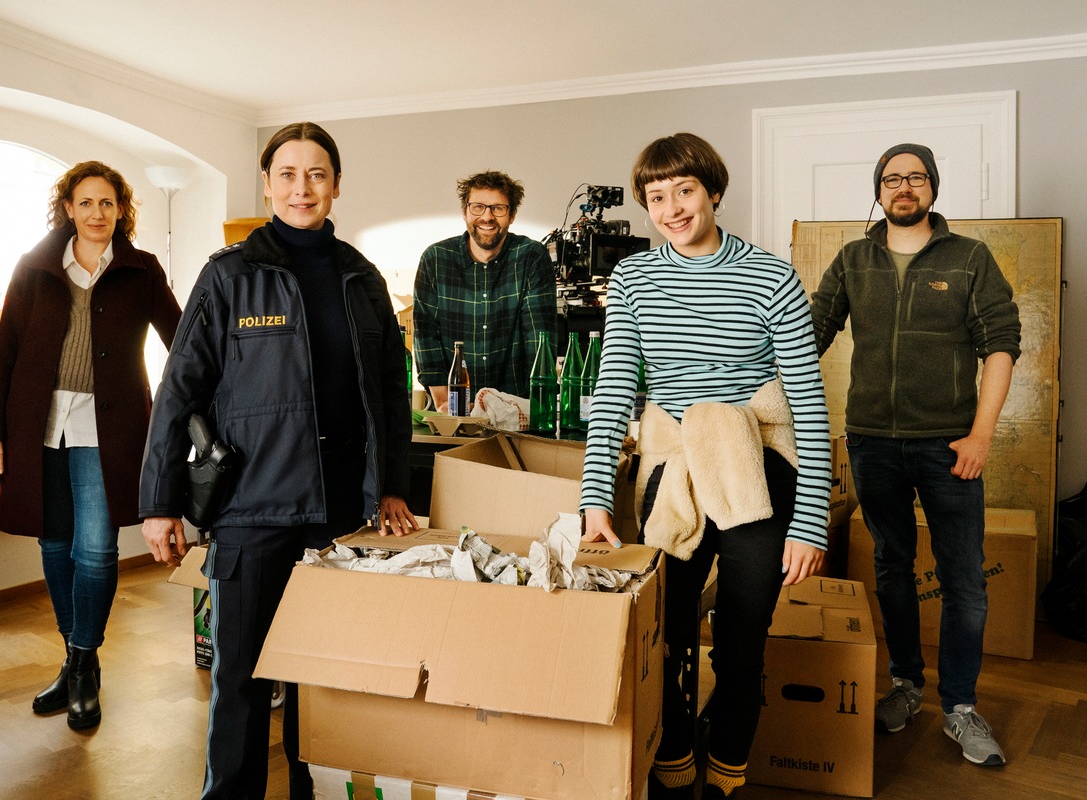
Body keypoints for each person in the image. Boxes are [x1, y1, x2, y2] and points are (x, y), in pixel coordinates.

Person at [139, 121, 417, 800]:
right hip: (253, 509)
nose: (302, 188)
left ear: (337, 186)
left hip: (342, 513)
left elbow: (390, 392)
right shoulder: (229, 275)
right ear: (267, 184)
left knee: (322, 680)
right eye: (288, 174)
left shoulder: (362, 278)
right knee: (242, 676)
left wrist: (390, 488)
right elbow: (180, 388)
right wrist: (159, 501)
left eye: (316, 174)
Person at [580, 133, 831, 800]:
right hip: (671, 466)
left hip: (755, 465)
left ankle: (726, 775)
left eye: (684, 191)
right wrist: (595, 499)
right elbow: (614, 391)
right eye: (656, 198)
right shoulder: (634, 278)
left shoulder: (771, 276)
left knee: (744, 640)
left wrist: (811, 524)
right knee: (663, 632)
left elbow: (808, 401)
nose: (672, 209)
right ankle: (673, 765)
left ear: (713, 192)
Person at [811, 143, 1021, 767]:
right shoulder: (852, 260)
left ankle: (960, 707)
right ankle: (906, 684)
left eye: (917, 177)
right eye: (892, 178)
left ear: (933, 188)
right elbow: (806, 335)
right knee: (892, 565)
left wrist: (981, 436)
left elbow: (1002, 346)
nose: (905, 187)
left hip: (949, 444)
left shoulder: (969, 259)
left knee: (963, 578)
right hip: (872, 440)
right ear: (877, 190)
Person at [0, 161, 182, 729]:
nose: (97, 214)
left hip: (108, 429)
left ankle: (84, 664)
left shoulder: (141, 270)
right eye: (86, 203)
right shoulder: (34, 267)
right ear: (67, 208)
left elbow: (182, 340)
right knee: (54, 544)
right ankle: (74, 661)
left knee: (95, 549)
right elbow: (5, 353)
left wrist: (174, 404)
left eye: (107, 204)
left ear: (121, 211)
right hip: (37, 424)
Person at [413, 170, 555, 409]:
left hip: (516, 407)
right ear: (465, 212)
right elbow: (426, 337)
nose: (487, 217)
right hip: (452, 406)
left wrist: (532, 409)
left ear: (512, 215)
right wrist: (445, 403)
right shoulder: (436, 259)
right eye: (478, 207)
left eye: (498, 208)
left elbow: (539, 341)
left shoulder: (531, 257)